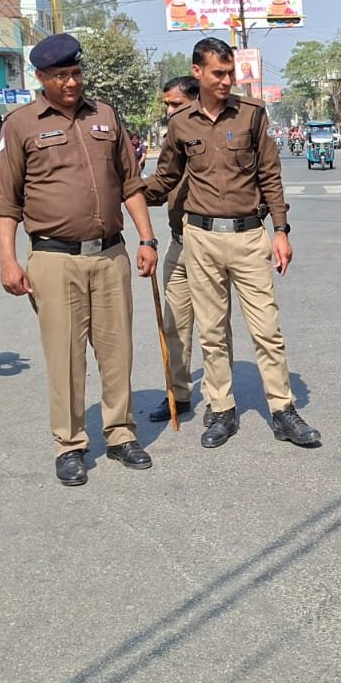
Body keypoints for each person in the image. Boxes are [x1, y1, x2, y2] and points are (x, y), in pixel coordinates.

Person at [0, 33, 160, 487]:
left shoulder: (105, 115)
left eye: (76, 73)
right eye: (60, 76)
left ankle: (121, 434)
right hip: (53, 258)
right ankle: (69, 445)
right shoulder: (20, 125)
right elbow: (7, 203)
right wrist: (8, 261)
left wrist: (147, 239)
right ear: (40, 77)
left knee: (117, 350)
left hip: (109, 255)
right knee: (65, 356)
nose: (70, 82)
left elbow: (130, 184)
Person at [143, 37, 320, 450]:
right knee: (212, 331)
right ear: (198, 72)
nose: (226, 81)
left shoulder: (252, 114)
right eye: (218, 73)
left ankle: (283, 410)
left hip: (249, 236)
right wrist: (125, 189)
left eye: (230, 73)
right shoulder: (181, 122)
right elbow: (166, 178)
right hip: (201, 238)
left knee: (267, 329)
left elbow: (270, 175)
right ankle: (221, 409)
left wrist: (281, 230)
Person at [148, 75, 216, 423]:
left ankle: (219, 401)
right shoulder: (172, 140)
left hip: (209, 241)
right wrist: (127, 190)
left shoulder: (212, 136)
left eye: (176, 104)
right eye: (167, 105)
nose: (170, 111)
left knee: (212, 326)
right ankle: (178, 393)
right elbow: (162, 184)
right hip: (178, 242)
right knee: (174, 323)